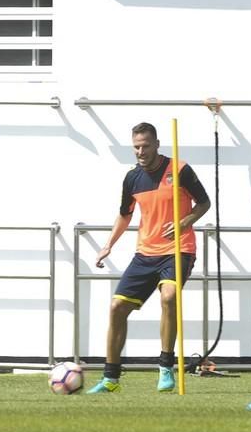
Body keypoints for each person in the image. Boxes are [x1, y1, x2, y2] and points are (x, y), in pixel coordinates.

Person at [87, 122, 210, 394]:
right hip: (145, 253)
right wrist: (108, 245)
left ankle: (165, 366)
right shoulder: (132, 178)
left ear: (156, 144)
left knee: (168, 296)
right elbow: (125, 214)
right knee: (117, 307)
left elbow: (204, 203)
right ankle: (111, 379)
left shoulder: (180, 170)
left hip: (179, 248)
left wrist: (184, 222)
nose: (140, 151)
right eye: (136, 146)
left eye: (145, 145)